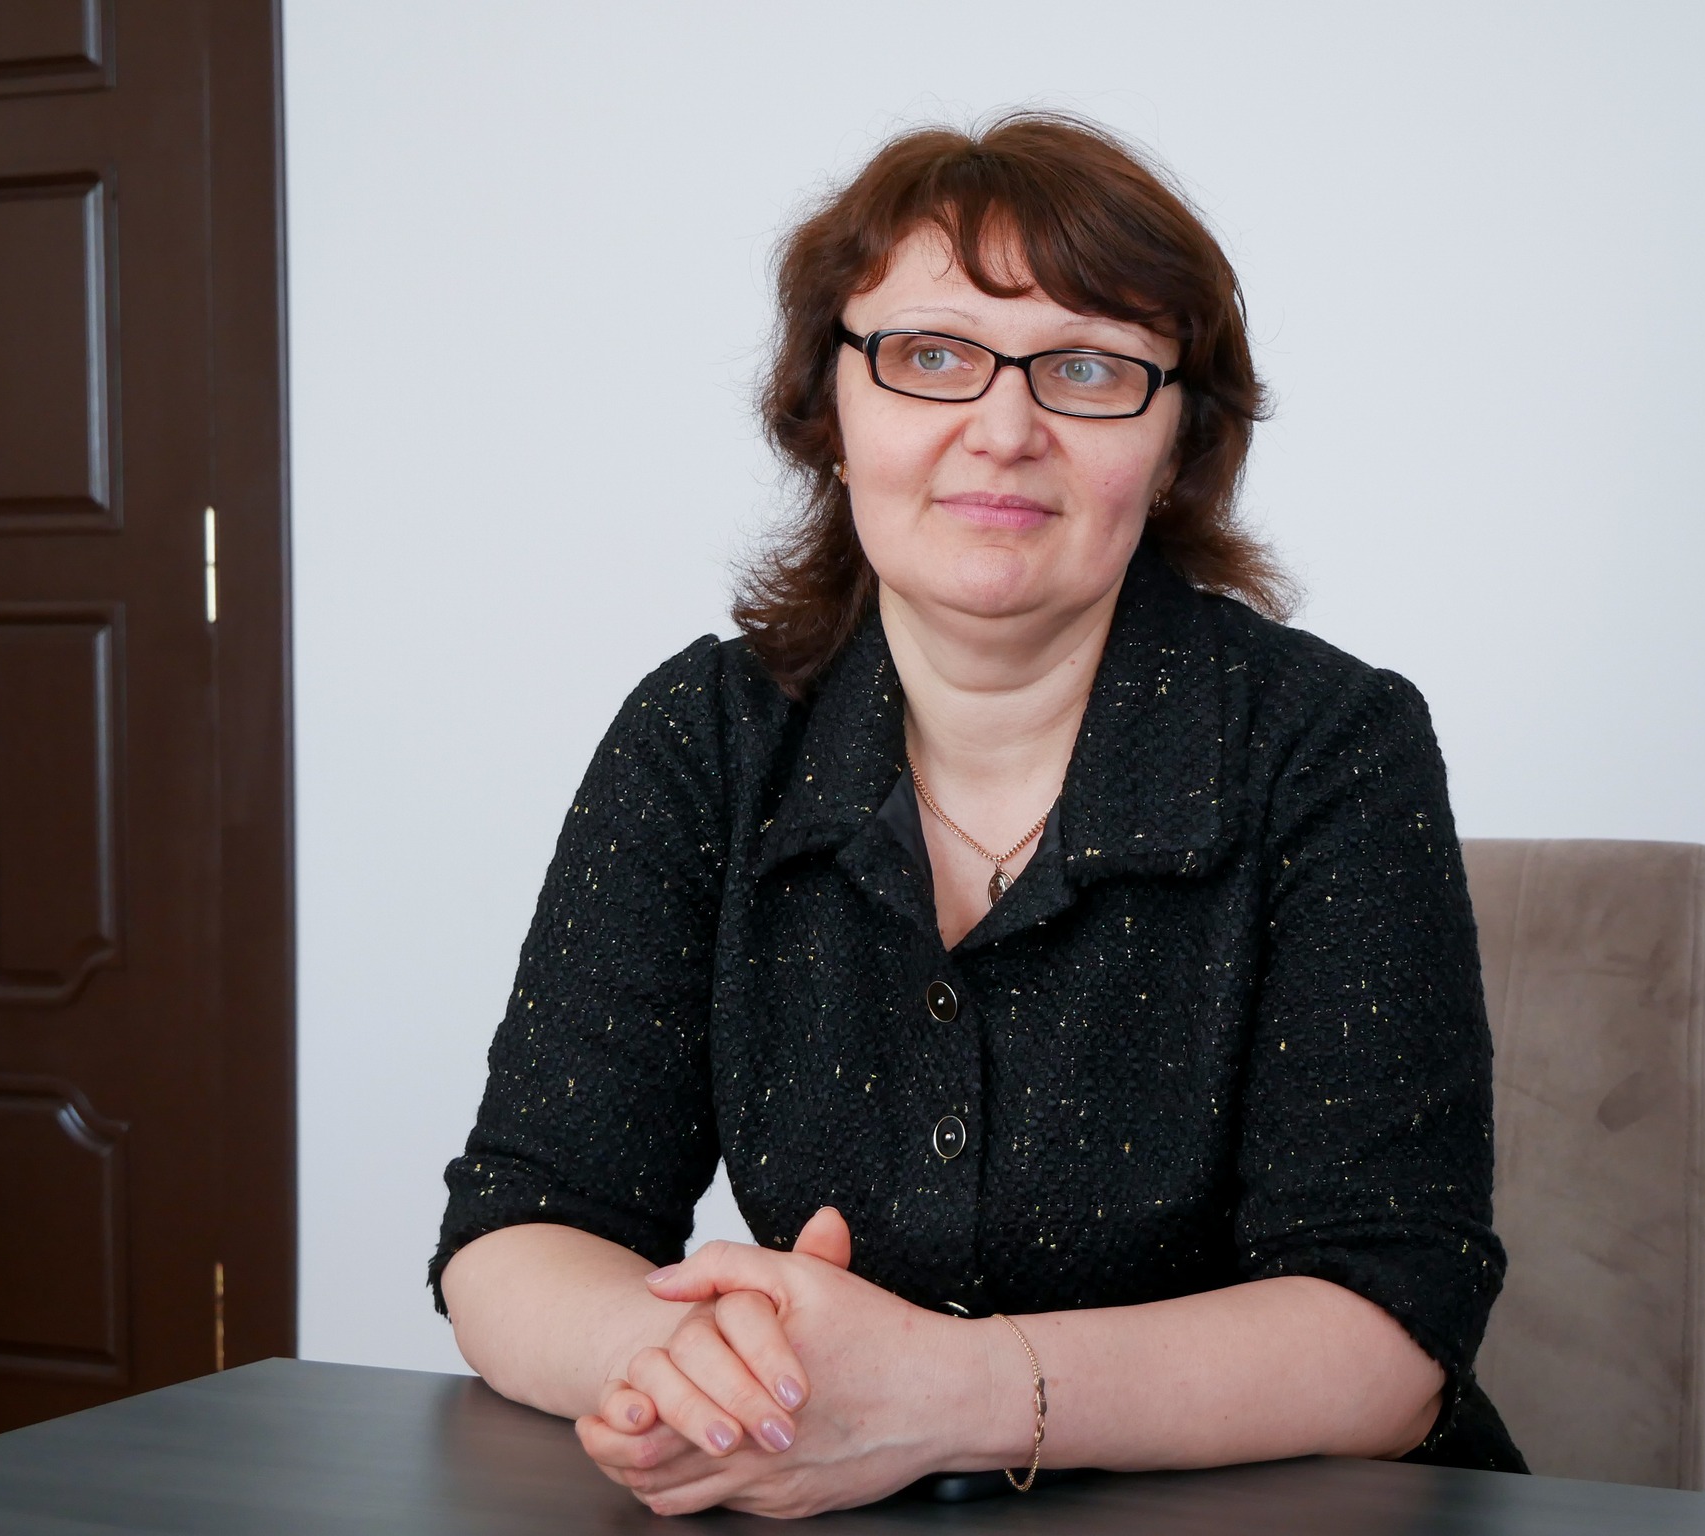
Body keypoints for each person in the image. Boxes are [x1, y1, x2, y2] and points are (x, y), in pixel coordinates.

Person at [431, 112, 1525, 1518]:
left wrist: (936, 1394)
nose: (1003, 431)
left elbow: (1393, 1332)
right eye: (931, 357)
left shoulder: (1331, 746)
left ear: (1177, 445)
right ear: (831, 415)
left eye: (1089, 368)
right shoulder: (704, 737)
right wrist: (694, 1374)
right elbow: (520, 1229)